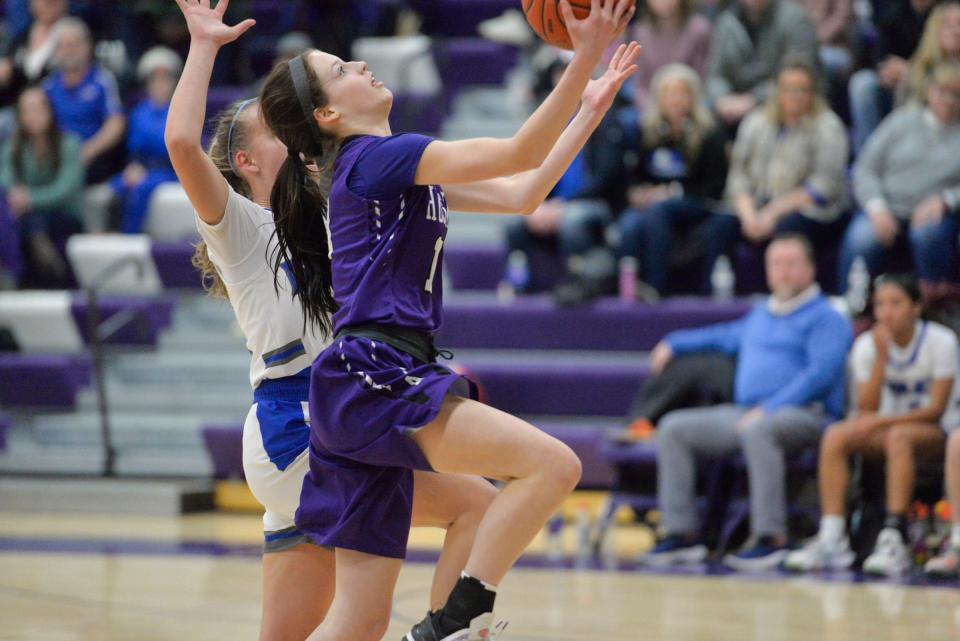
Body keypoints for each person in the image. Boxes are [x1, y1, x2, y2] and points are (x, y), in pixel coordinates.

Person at [254, 2, 639, 640]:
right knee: (552, 466)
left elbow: (524, 191)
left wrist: (589, 106)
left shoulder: (395, 169)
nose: (362, 64)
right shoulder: (376, 159)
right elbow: (520, 147)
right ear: (328, 115)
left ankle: (450, 626)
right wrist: (582, 57)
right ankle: (456, 620)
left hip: (361, 383)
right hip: (374, 374)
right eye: (343, 67)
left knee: (358, 619)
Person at [164, 3, 502, 639]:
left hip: (344, 415)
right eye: (275, 126)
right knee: (476, 505)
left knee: (335, 626)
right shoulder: (241, 227)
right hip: (297, 427)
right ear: (247, 162)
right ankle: (452, 631)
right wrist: (204, 45)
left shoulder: (342, 203)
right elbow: (181, 143)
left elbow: (494, 188)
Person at [640, 234, 852, 571]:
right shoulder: (761, 314)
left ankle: (771, 538)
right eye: (776, 264)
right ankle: (681, 534)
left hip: (806, 415)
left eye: (791, 264)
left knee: (759, 431)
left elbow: (820, 377)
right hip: (746, 412)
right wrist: (674, 342)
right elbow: (722, 336)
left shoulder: (827, 317)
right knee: (674, 428)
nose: (783, 272)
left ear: (810, 269)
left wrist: (769, 409)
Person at [785, 274, 958, 576]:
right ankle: (832, 535)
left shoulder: (941, 341)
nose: (886, 312)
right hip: (887, 429)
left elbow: (935, 409)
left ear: (916, 308)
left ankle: (894, 537)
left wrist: (882, 422)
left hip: (936, 432)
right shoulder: (867, 345)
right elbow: (866, 408)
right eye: (879, 305)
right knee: (837, 435)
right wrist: (881, 358)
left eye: (895, 303)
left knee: (899, 437)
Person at [615, 63, 738, 296]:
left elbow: (715, 185)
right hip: (655, 204)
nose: (676, 100)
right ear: (659, 98)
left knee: (659, 211)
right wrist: (638, 192)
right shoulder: (646, 130)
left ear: (693, 97)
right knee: (629, 225)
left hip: (699, 202)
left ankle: (656, 285)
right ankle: (626, 291)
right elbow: (633, 175)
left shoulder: (710, 132)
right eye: (670, 94)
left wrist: (673, 191)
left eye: (682, 94)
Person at [839, 60, 960, 294]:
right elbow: (865, 167)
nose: (947, 100)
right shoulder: (902, 121)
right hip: (887, 205)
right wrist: (877, 208)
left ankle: (936, 303)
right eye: (941, 91)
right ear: (929, 92)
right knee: (861, 238)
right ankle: (850, 304)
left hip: (932, 211)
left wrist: (947, 199)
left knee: (928, 235)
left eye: (955, 94)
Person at [727, 60, 849, 260]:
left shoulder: (828, 127)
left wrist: (772, 213)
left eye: (802, 90)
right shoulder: (755, 122)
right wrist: (748, 214)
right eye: (789, 89)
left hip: (811, 211)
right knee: (722, 226)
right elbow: (738, 174)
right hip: (760, 202)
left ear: (813, 93)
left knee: (787, 228)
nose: (795, 96)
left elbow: (823, 187)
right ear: (776, 91)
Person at [0, 85, 83, 288]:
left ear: (50, 111)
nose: (33, 116)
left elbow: (65, 189)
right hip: (26, 215)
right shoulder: (13, 146)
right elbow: (5, 178)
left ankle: (22, 278)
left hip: (63, 214)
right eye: (27, 111)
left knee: (33, 223)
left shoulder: (70, 144)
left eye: (37, 109)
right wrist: (16, 196)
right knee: (23, 223)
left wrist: (30, 199)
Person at [706, 0, 818, 129]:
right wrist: (721, 99)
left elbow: (799, 78)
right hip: (730, 103)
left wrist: (753, 99)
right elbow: (715, 75)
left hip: (775, 100)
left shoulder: (795, 19)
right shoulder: (726, 21)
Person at [42, 17, 126, 184]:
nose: (69, 51)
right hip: (57, 157)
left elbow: (116, 123)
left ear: (88, 47)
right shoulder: (48, 86)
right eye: (63, 46)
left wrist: (89, 150)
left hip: (93, 157)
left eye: (74, 44)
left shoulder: (102, 80)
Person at [848, 0, 939, 154]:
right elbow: (879, 54)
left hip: (930, 82)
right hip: (893, 80)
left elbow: (944, 66)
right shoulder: (893, 9)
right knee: (862, 83)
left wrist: (911, 71)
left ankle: (907, 156)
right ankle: (868, 155)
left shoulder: (946, 12)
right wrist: (885, 69)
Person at [111, 46, 182, 233]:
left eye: (165, 80)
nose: (160, 86)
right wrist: (133, 167)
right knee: (116, 186)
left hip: (171, 170)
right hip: (144, 168)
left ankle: (130, 236)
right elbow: (133, 149)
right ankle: (109, 233)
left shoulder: (182, 110)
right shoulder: (139, 112)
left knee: (141, 188)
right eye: (155, 80)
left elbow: (178, 148)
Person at [629, 0, 712, 112]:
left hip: (691, 108)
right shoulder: (640, 33)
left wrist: (681, 105)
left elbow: (703, 81)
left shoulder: (699, 30)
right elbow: (639, 85)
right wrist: (655, 110)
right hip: (651, 110)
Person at [899, 2, 960, 106]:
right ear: (934, 30)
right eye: (948, 26)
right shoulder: (919, 70)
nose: (956, 31)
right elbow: (906, 112)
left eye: (959, 25)